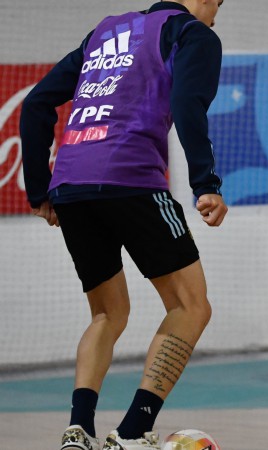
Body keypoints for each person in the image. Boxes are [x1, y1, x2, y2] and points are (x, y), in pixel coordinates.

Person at [20, 1, 226, 449]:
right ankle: (132, 433)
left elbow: (37, 103)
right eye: (220, 9)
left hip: (71, 185)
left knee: (107, 313)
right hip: (131, 179)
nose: (215, 20)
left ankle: (78, 430)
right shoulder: (192, 34)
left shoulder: (105, 31)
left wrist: (40, 190)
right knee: (192, 306)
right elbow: (187, 102)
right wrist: (205, 182)